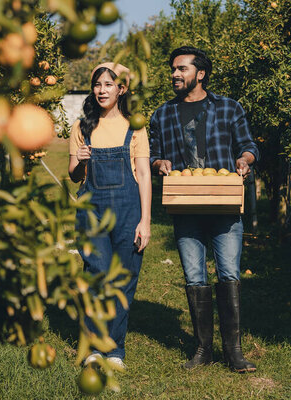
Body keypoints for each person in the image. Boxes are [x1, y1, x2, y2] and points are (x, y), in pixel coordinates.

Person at [149, 47, 259, 373]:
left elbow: (249, 145)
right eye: (173, 69)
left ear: (200, 74)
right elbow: (154, 152)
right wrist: (159, 162)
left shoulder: (228, 107)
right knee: (195, 277)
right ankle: (203, 349)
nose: (174, 74)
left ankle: (233, 352)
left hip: (224, 204)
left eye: (181, 69)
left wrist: (244, 161)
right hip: (185, 206)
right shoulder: (162, 115)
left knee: (228, 275)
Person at [68, 62, 152, 369]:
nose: (102, 90)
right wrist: (78, 160)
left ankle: (115, 349)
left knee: (123, 281)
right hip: (92, 212)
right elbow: (74, 176)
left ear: (122, 89)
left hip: (129, 210)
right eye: (97, 84)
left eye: (108, 84)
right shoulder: (82, 127)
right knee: (96, 276)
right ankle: (94, 346)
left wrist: (146, 220)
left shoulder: (136, 126)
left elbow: (143, 174)